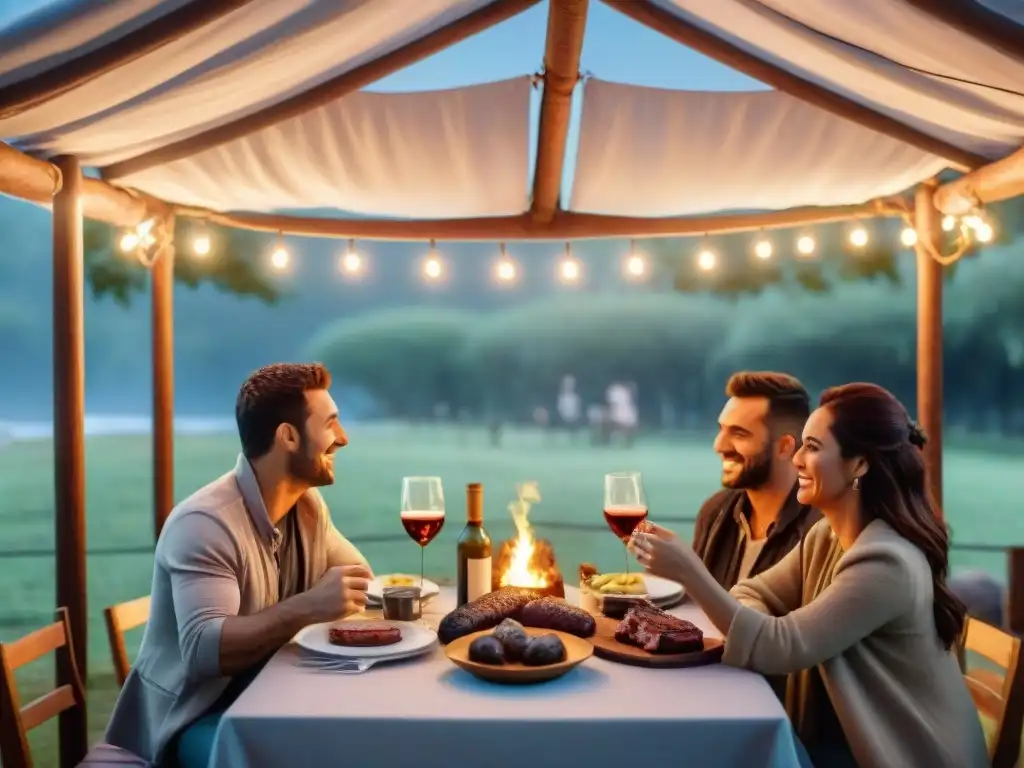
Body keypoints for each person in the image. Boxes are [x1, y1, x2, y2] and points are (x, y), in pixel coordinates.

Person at [632, 383, 988, 768]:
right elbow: (753, 591)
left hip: (905, 755)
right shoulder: (828, 536)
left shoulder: (887, 563)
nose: (797, 459)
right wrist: (758, 623)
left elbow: (777, 648)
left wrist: (689, 571)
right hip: (847, 743)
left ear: (859, 464)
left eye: (813, 448)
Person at [105, 363, 373, 767]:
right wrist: (308, 607)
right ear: (288, 436)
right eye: (331, 424)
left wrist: (329, 599)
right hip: (192, 719)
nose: (343, 439)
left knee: (352, 736)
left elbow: (358, 581)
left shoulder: (306, 506)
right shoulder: (205, 524)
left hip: (262, 696)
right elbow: (205, 650)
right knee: (310, 753)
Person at [694, 372, 821, 589]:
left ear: (785, 447)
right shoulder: (716, 512)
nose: (719, 446)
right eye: (721, 429)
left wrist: (685, 569)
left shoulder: (819, 529)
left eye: (739, 434)